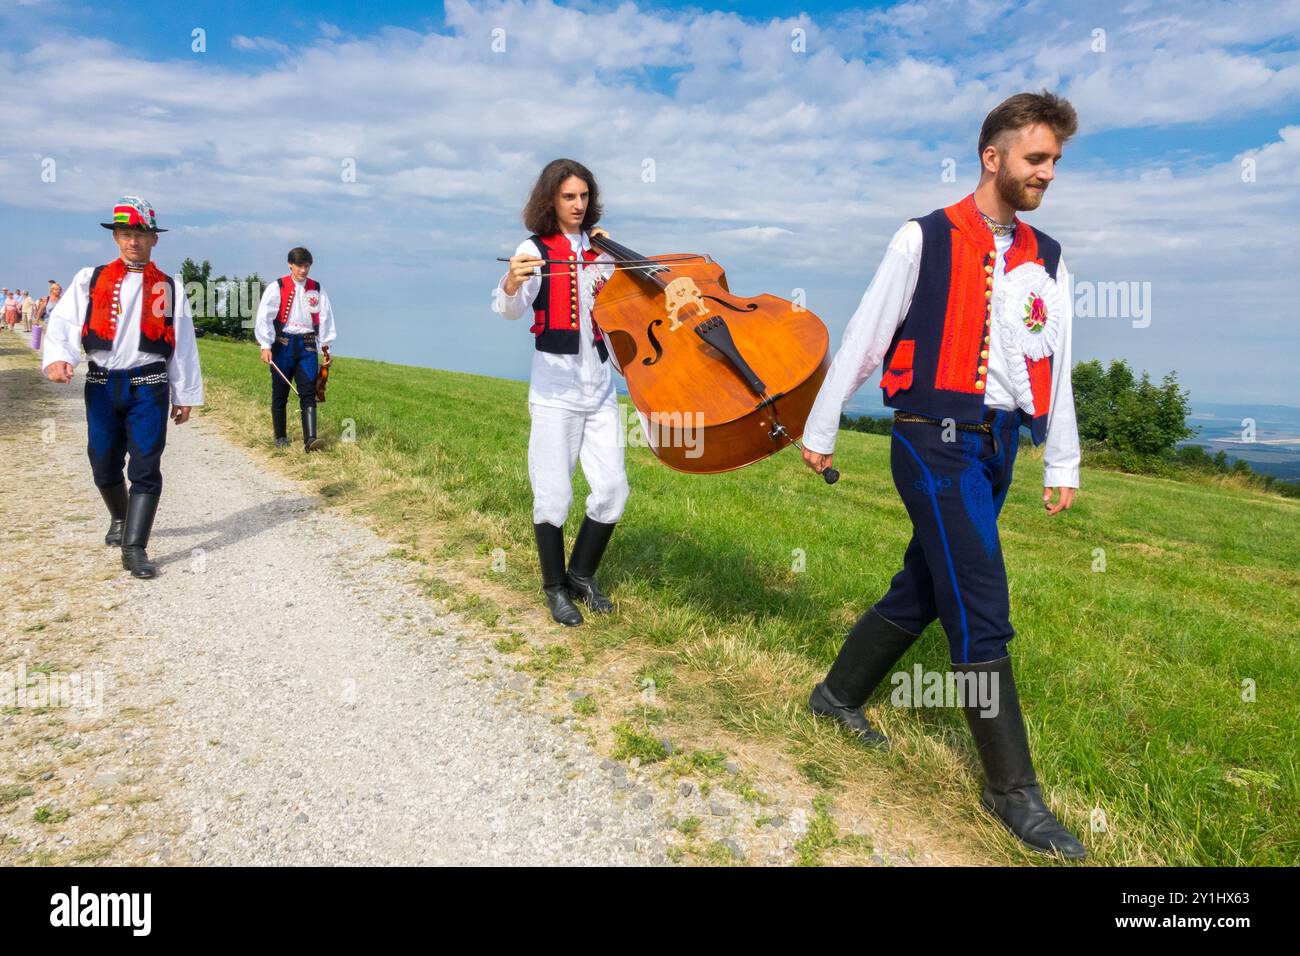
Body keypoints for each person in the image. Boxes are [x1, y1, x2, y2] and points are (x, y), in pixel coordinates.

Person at [800, 91, 1086, 859]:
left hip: (998, 446)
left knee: (929, 585)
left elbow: (1054, 366)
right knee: (981, 604)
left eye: (1055, 160)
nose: (1048, 173)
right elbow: (867, 332)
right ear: (992, 157)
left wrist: (1061, 454)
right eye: (1036, 158)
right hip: (932, 437)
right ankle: (1011, 792)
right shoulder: (922, 238)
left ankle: (835, 698)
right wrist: (823, 423)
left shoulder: (1050, 258)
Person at [492, 158, 628, 627]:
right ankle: (554, 589)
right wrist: (511, 281)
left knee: (612, 490)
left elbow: (625, 312)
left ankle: (581, 574)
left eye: (584, 196)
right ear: (550, 199)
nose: (578, 204)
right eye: (569, 196)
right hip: (554, 393)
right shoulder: (533, 248)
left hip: (602, 391)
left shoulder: (602, 251)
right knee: (553, 496)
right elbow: (508, 309)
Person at [41, 196, 204, 579]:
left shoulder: (169, 287)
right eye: (127, 234)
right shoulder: (90, 278)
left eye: (141, 235)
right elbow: (64, 322)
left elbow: (182, 344)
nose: (134, 242)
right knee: (102, 461)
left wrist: (185, 394)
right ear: (116, 237)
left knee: (146, 466)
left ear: (154, 240)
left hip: (149, 384)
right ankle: (119, 516)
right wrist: (58, 357)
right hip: (101, 383)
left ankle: (135, 548)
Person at [253, 247, 336, 451]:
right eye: (300, 265)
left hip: (308, 345)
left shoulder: (316, 289)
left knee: (308, 390)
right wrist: (265, 344)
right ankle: (280, 437)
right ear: (290, 264)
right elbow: (265, 316)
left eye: (307, 266)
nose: (304, 270)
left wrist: (325, 348)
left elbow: (325, 318)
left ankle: (311, 440)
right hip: (283, 345)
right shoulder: (278, 286)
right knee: (280, 391)